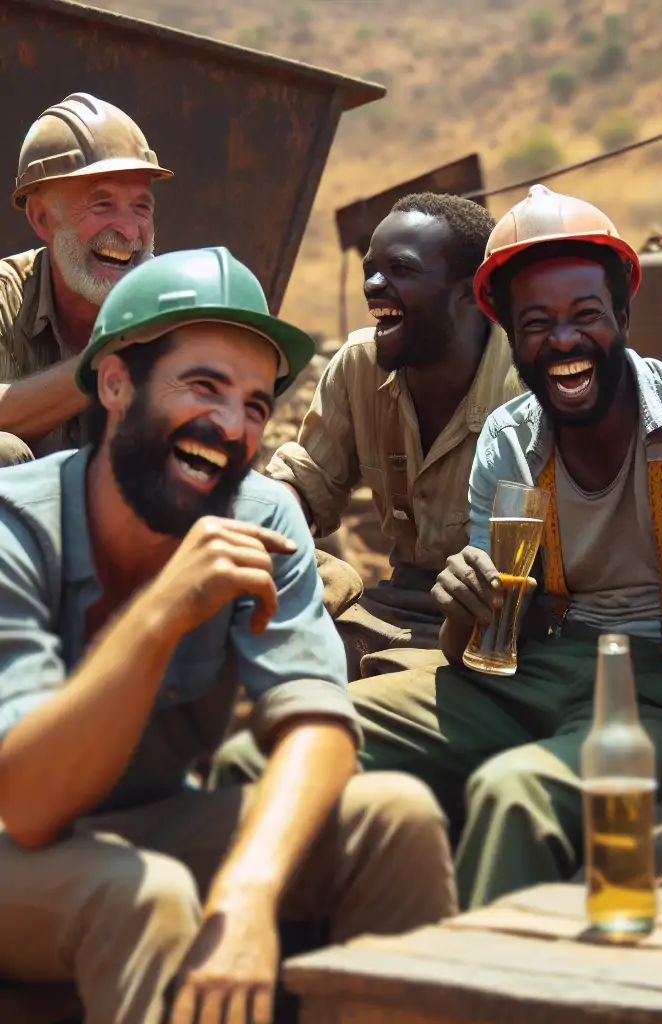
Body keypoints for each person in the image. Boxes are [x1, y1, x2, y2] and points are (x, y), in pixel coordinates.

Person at [0, 247, 456, 1024]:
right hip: (16, 842)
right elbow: (32, 808)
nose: (232, 426)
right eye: (203, 387)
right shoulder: (16, 524)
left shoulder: (257, 513)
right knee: (147, 896)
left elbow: (315, 716)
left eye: (254, 402)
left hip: (151, 819)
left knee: (396, 819)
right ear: (115, 382)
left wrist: (247, 892)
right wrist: (160, 615)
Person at [348, 184, 662, 910]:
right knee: (326, 730)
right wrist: (462, 606)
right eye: (536, 323)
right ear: (510, 339)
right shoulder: (510, 437)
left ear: (623, 318)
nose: (564, 342)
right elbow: (484, 643)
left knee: (513, 794)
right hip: (539, 666)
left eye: (586, 316)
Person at [266, 193, 521, 676]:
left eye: (401, 269)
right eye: (371, 268)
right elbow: (306, 480)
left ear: (469, 292)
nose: (373, 286)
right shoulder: (358, 365)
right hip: (397, 601)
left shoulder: (523, 385)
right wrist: (272, 529)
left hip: (493, 625)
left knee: (352, 704)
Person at [0, 92, 169, 465]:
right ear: (42, 219)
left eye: (141, 206)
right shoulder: (6, 295)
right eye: (102, 203)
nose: (128, 231)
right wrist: (107, 359)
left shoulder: (174, 305)